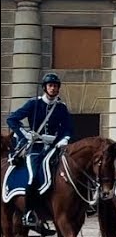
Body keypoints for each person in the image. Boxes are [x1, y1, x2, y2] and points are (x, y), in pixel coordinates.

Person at [4, 73, 73, 227]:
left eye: (55, 86)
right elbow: (11, 119)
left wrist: (64, 140)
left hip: (54, 148)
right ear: (45, 88)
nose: (53, 88)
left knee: (67, 174)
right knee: (33, 176)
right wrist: (25, 134)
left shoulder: (61, 107)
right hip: (35, 148)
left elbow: (68, 128)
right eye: (50, 86)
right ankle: (29, 212)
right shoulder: (34, 104)